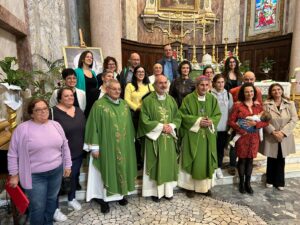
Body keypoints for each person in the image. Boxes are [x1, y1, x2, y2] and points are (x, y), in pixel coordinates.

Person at [7, 98, 72, 225]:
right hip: (34, 176)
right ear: (31, 113)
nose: (43, 112)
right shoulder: (22, 129)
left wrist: (68, 164)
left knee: (52, 201)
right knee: (38, 207)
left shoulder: (56, 125)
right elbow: (12, 153)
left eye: (45, 108)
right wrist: (14, 174)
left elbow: (65, 146)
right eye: (38, 110)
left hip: (56, 172)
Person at [84, 80, 137, 214]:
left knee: (121, 168)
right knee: (105, 170)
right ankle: (103, 199)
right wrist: (94, 147)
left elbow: (129, 124)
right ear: (107, 90)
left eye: (119, 89)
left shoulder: (124, 104)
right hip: (105, 146)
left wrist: (130, 141)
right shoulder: (99, 105)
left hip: (123, 145)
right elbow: (92, 126)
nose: (117, 91)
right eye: (114, 89)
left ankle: (120, 194)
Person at [137, 75, 181, 202]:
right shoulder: (147, 101)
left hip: (169, 137)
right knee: (156, 163)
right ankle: (155, 192)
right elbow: (144, 120)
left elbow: (178, 117)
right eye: (160, 83)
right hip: (154, 139)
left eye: (165, 83)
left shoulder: (172, 100)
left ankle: (168, 191)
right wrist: (161, 127)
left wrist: (171, 126)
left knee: (168, 164)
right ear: (154, 85)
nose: (163, 85)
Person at [178, 75, 221, 197]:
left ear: (210, 86)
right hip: (193, 135)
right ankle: (190, 187)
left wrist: (211, 121)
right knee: (192, 158)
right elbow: (182, 115)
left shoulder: (212, 99)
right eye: (202, 85)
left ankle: (205, 187)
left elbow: (217, 114)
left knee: (206, 160)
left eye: (207, 85)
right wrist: (198, 121)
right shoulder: (188, 99)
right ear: (196, 86)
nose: (204, 87)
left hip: (208, 135)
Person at [50, 87, 86, 222]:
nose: (70, 98)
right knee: (57, 182)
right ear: (59, 98)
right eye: (66, 96)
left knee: (74, 177)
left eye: (71, 95)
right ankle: (55, 209)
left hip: (77, 152)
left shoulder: (78, 110)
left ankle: (72, 198)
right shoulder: (52, 112)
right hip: (59, 155)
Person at [228, 83, 268, 195]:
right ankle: (241, 183)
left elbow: (266, 121)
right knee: (242, 160)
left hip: (254, 137)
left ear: (254, 93)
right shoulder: (238, 106)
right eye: (247, 91)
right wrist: (240, 130)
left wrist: (256, 125)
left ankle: (248, 183)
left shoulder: (258, 106)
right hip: (242, 137)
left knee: (250, 160)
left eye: (251, 91)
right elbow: (230, 121)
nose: (249, 93)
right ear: (243, 93)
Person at [260, 83, 298, 190]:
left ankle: (280, 182)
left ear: (282, 90)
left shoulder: (290, 103)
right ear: (270, 92)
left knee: (281, 158)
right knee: (271, 158)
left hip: (285, 136)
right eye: (274, 90)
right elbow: (264, 120)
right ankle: (270, 180)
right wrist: (273, 132)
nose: (277, 92)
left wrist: (283, 133)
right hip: (272, 135)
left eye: (278, 89)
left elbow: (294, 119)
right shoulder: (266, 104)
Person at [227, 71, 263, 176]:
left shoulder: (258, 91)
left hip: (252, 124)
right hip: (239, 121)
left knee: (248, 152)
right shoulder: (234, 90)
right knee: (234, 145)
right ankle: (232, 165)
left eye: (251, 79)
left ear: (255, 79)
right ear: (243, 79)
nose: (249, 81)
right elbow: (231, 105)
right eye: (247, 79)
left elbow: (260, 106)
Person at [124, 66, 154, 169]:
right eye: (138, 72)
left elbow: (153, 98)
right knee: (136, 138)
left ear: (145, 73)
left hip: (147, 115)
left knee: (146, 137)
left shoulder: (150, 86)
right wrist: (137, 108)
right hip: (134, 115)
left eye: (143, 71)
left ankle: (146, 159)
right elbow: (126, 100)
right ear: (135, 73)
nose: (141, 73)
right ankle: (137, 161)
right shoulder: (130, 86)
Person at [211, 74, 233, 178]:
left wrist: (230, 125)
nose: (220, 84)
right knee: (212, 148)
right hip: (212, 127)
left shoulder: (228, 95)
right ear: (214, 83)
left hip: (224, 127)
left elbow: (230, 110)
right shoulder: (210, 94)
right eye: (218, 82)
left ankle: (218, 167)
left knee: (220, 149)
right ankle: (212, 167)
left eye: (222, 82)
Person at [75, 50, 99, 117]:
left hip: (94, 102)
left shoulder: (93, 72)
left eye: (91, 57)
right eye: (87, 57)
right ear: (82, 59)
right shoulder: (77, 71)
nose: (90, 59)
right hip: (83, 101)